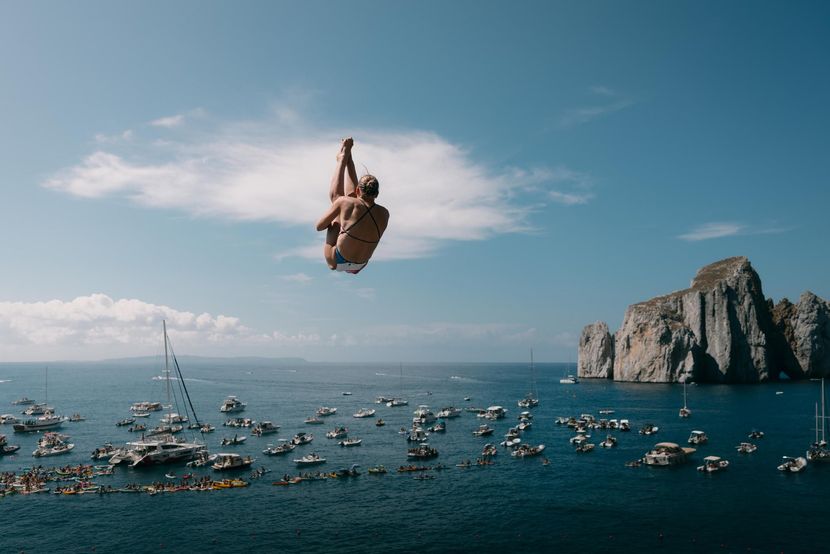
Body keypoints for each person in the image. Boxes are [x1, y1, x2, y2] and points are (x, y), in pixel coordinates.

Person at [316, 138, 389, 274]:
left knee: (338, 206)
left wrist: (335, 217)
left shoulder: (346, 202)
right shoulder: (385, 214)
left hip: (336, 260)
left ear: (357, 190)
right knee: (346, 205)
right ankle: (348, 157)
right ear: (377, 194)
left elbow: (319, 227)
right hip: (359, 266)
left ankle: (342, 160)